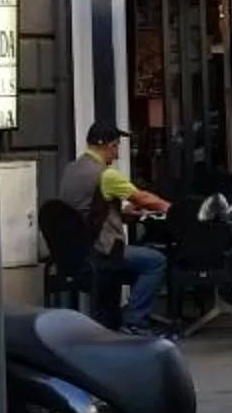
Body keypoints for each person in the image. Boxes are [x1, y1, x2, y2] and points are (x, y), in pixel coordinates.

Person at [56, 122, 171, 332]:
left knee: (129, 264)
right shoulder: (105, 175)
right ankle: (135, 321)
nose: (117, 154)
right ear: (106, 145)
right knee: (155, 262)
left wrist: (123, 213)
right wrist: (170, 208)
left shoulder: (70, 171)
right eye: (116, 147)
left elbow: (86, 209)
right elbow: (142, 198)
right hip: (100, 253)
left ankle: (109, 322)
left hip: (75, 254)